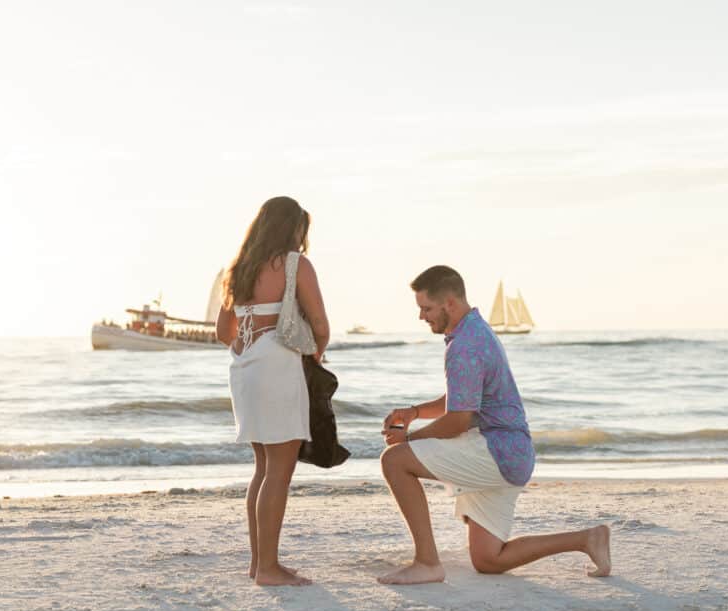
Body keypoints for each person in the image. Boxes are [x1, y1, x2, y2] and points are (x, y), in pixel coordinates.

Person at [378, 265, 611, 584]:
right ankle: (587, 539)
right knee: (489, 559)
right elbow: (462, 399)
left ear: (449, 302)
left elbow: (458, 420)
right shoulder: (475, 331)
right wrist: (414, 412)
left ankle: (427, 563)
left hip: (494, 451)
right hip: (509, 453)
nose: (422, 317)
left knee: (395, 460)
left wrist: (408, 440)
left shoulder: (465, 344)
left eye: (426, 308)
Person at [216, 196, 330, 587]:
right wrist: (318, 354)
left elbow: (222, 333)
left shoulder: (236, 269)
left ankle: (259, 562)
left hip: (243, 368)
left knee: (263, 469)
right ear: (294, 228)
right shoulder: (296, 264)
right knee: (279, 472)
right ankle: (268, 568)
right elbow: (319, 324)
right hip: (276, 366)